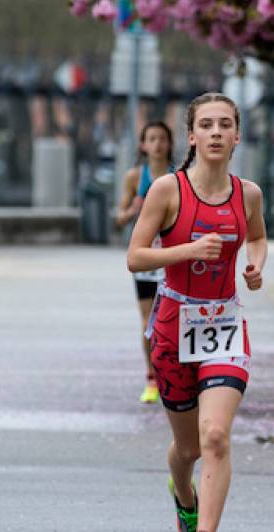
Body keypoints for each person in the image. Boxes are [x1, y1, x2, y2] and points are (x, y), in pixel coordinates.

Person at [128, 92, 267, 532]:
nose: (216, 133)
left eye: (225, 125)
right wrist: (187, 250)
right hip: (174, 324)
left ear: (237, 136)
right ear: (191, 135)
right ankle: (182, 493)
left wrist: (254, 266)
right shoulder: (168, 190)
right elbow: (135, 257)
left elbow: (259, 238)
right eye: (206, 125)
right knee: (187, 448)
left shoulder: (249, 194)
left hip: (225, 322)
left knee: (215, 437)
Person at [116, 121, 175, 404]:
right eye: (151, 139)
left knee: (175, 320)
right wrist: (133, 209)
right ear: (143, 145)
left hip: (174, 256)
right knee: (147, 320)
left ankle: (173, 375)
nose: (157, 144)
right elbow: (119, 219)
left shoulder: (181, 176)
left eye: (162, 138)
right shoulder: (134, 177)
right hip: (146, 258)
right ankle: (151, 376)